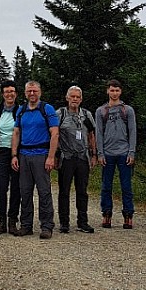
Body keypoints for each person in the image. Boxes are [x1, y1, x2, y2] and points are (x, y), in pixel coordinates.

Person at [11, 81, 60, 239]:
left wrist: (51, 157)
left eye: (35, 91)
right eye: (29, 91)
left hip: (41, 154)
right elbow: (16, 133)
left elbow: (55, 133)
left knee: (44, 192)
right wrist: (14, 155)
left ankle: (46, 226)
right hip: (24, 154)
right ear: (25, 93)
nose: (32, 94)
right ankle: (26, 225)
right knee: (25, 192)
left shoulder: (47, 109)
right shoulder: (21, 110)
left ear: (40, 92)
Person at [95, 79, 137, 229]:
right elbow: (98, 133)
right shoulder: (101, 111)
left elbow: (132, 132)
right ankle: (106, 214)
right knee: (106, 185)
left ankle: (128, 215)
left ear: (121, 91)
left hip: (124, 153)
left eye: (117, 90)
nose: (114, 93)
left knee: (126, 186)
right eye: (112, 90)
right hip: (107, 153)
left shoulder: (128, 110)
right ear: (107, 91)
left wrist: (131, 152)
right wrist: (100, 153)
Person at [55, 86, 97, 233]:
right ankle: (64, 222)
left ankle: (83, 222)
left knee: (82, 191)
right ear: (67, 98)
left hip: (82, 157)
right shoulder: (60, 114)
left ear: (81, 99)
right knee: (64, 191)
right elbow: (54, 135)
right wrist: (54, 155)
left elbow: (92, 135)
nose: (74, 99)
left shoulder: (86, 115)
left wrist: (94, 155)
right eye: (72, 96)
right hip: (66, 157)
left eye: (77, 97)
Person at [0, 80, 21, 235]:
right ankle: (1, 220)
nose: (10, 94)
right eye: (7, 91)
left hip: (17, 153)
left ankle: (12, 220)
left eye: (12, 91)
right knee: (0, 187)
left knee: (16, 188)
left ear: (16, 94)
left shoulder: (21, 110)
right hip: (1, 152)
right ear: (2, 94)